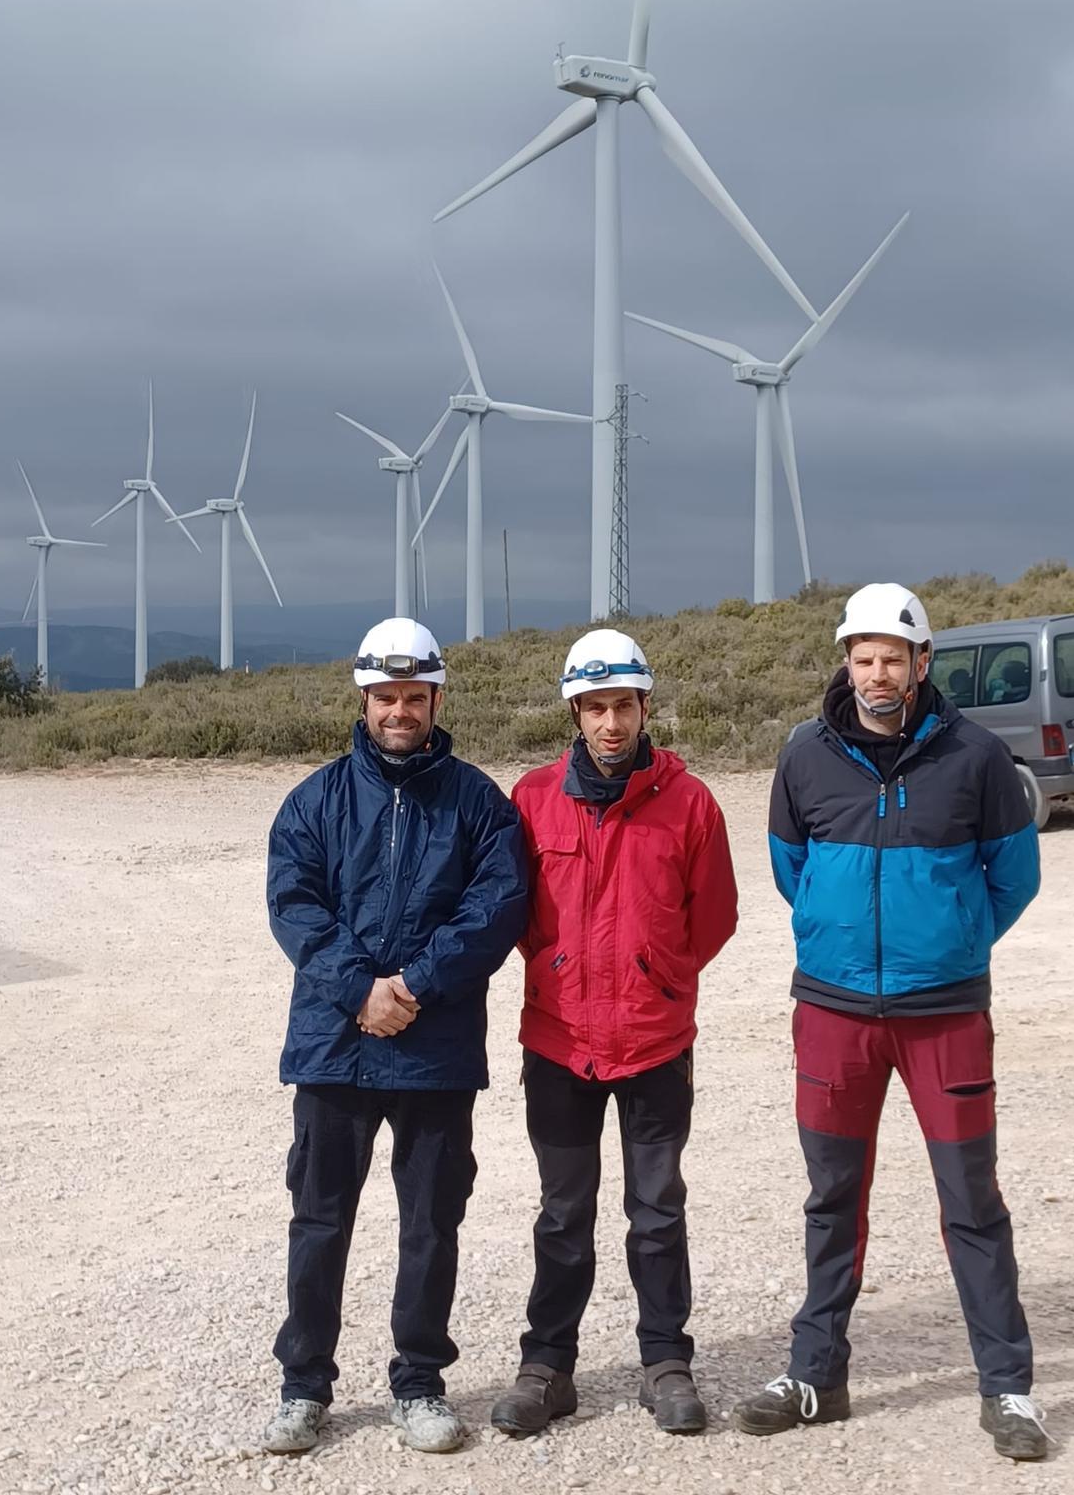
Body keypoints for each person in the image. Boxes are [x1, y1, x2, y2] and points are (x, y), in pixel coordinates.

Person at [732, 583, 1049, 1461]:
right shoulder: (804, 757)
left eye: (892, 659)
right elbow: (791, 868)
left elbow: (1013, 879)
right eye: (862, 657)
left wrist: (949, 942)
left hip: (944, 1015)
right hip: (834, 1013)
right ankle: (817, 1377)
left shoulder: (979, 759)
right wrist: (844, 947)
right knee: (832, 1199)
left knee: (971, 1201)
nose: (877, 674)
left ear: (922, 662)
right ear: (847, 661)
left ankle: (1009, 1390)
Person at [261, 618, 528, 1456]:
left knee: (431, 1224)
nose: (401, 711)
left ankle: (418, 1382)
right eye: (387, 697)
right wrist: (359, 990)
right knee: (319, 1220)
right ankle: (304, 1387)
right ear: (364, 698)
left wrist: (412, 986)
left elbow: (497, 909)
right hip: (335, 1047)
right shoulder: (315, 801)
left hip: (433, 1048)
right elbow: (296, 906)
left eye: (416, 697)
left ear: (437, 698)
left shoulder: (479, 804)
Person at [490, 629, 738, 1438]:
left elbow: (714, 917)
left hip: (655, 1042)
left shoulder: (690, 803)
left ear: (644, 708)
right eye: (595, 707)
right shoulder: (531, 799)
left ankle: (666, 1362)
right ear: (574, 710)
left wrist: (656, 976)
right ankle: (547, 1367)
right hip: (559, 1042)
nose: (609, 723)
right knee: (563, 1210)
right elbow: (518, 914)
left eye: (623, 705)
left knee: (658, 1208)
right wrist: (562, 966)